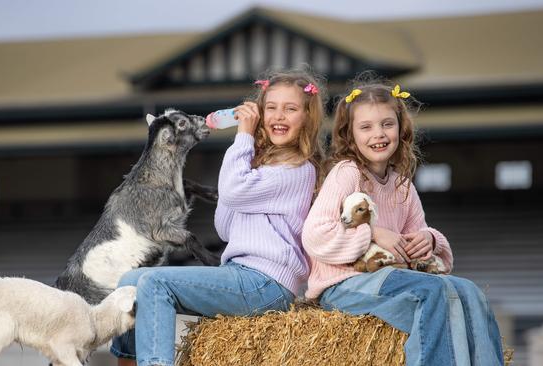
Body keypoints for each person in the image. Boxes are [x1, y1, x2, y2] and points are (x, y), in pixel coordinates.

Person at [111, 69, 326, 366]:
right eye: (271, 108)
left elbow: (233, 191)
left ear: (307, 118)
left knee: (155, 284)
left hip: (266, 284)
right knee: (130, 281)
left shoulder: (298, 170)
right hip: (240, 273)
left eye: (290, 109)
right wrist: (247, 157)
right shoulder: (257, 167)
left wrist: (243, 138)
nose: (279, 116)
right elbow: (224, 227)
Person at [302, 72, 503, 366]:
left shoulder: (403, 186)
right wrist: (373, 233)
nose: (378, 134)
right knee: (433, 292)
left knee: (469, 292)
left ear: (401, 127)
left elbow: (416, 241)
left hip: (388, 280)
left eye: (387, 124)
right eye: (366, 127)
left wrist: (429, 240)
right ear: (350, 134)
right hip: (344, 286)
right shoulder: (347, 173)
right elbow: (314, 235)